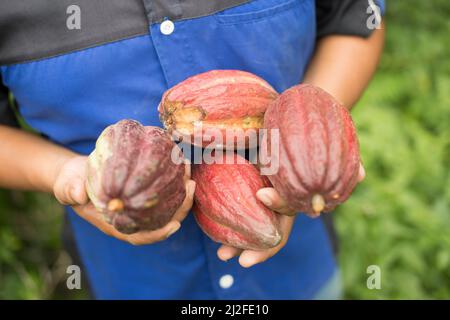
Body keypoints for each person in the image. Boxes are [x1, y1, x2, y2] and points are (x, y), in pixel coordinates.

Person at [0, 0, 385, 299]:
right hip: (136, 281)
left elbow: (359, 20)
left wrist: (309, 137)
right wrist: (59, 171)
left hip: (296, 274)